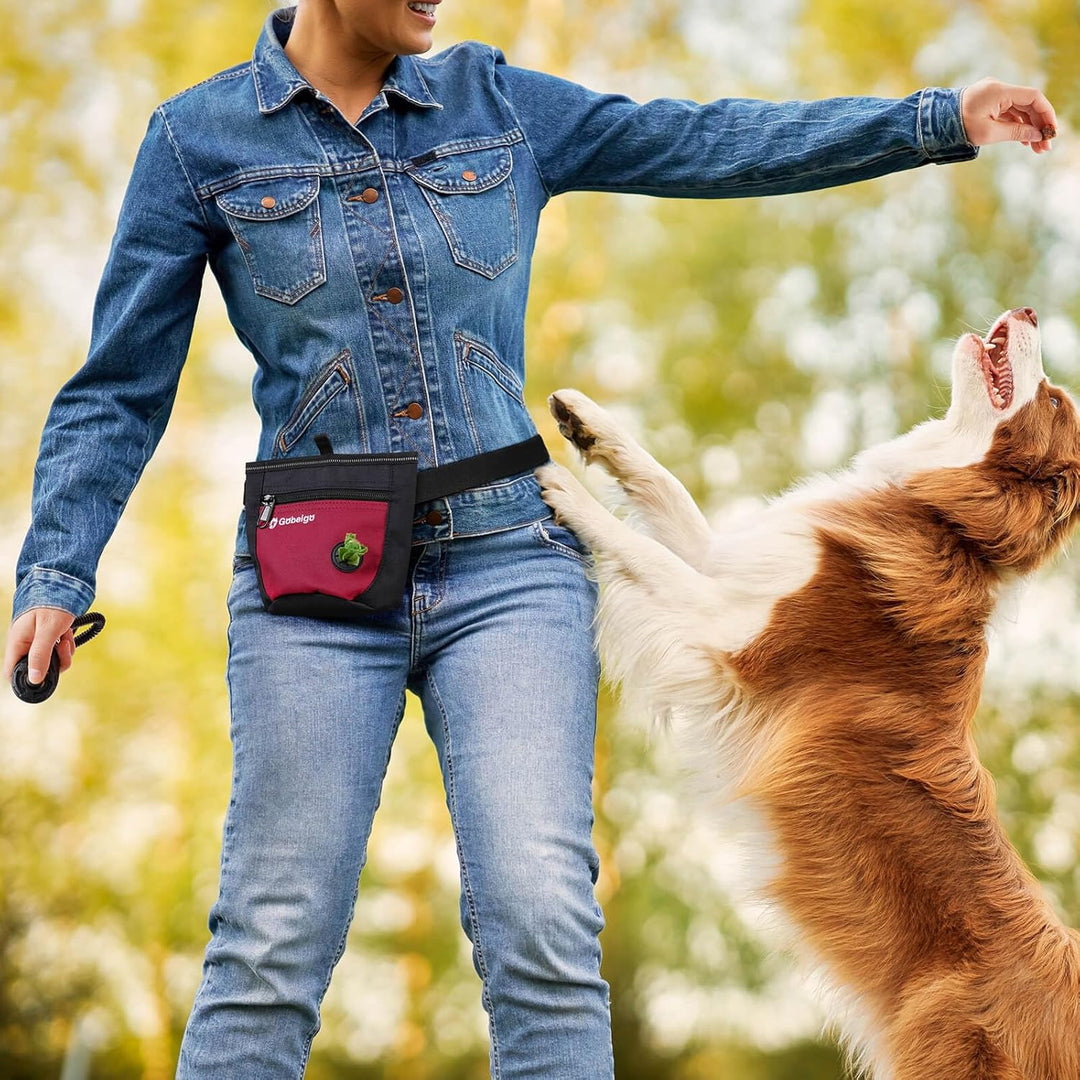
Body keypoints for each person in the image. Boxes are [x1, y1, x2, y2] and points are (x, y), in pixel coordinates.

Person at [2, 2, 1058, 1076]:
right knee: (271, 941)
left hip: (510, 561)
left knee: (543, 930)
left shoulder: (496, 104)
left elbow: (705, 141)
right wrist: (54, 571)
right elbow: (118, 388)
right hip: (315, 581)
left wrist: (936, 119)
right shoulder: (199, 141)